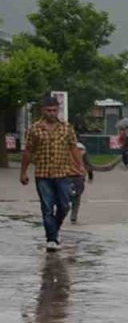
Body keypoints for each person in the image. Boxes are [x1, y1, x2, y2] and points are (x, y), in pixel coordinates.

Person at [20, 95, 82, 252]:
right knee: (47, 207)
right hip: (43, 175)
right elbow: (28, 151)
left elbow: (74, 147)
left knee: (64, 206)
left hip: (62, 174)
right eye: (48, 110)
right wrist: (23, 172)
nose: (52, 113)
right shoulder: (35, 129)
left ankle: (54, 228)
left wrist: (80, 166)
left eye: (54, 110)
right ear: (43, 110)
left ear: (58, 110)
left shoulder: (66, 128)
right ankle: (52, 239)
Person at [69, 142, 90, 224]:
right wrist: (90, 175)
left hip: (68, 176)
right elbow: (88, 164)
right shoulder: (83, 150)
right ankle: (73, 217)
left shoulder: (66, 150)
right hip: (79, 176)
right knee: (77, 198)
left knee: (70, 195)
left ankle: (72, 216)